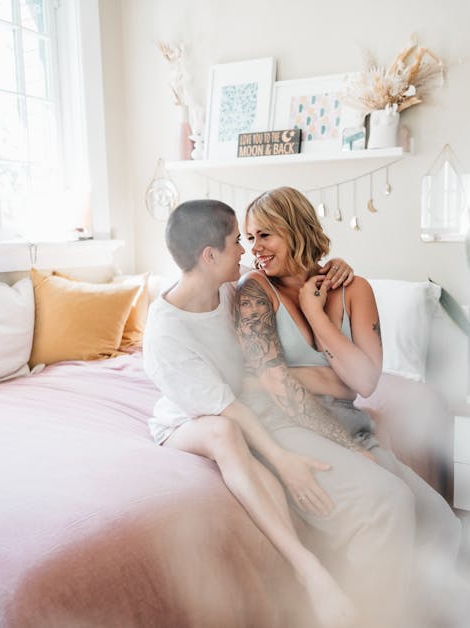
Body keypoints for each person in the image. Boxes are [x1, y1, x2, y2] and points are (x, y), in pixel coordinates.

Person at [235, 186, 463, 626]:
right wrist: (328, 399)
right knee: (389, 503)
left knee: (443, 525)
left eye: (266, 235)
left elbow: (361, 382)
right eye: (249, 238)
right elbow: (272, 384)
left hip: (350, 424)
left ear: (295, 228)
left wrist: (316, 314)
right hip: (288, 426)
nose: (255, 249)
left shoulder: (353, 287)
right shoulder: (253, 291)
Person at [142, 199, 358, 628]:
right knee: (225, 434)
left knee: (265, 480)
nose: (245, 250)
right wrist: (284, 459)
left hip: (230, 407)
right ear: (209, 256)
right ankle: (310, 571)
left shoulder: (228, 289)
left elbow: (288, 273)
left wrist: (335, 267)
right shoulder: (166, 333)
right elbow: (228, 409)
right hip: (184, 421)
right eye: (236, 241)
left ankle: (303, 586)